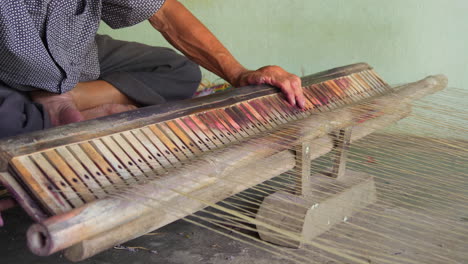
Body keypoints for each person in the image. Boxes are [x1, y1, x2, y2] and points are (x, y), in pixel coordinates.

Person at [0, 0, 305, 140]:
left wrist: (238, 74)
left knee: (179, 70)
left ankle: (66, 99)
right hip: (6, 71)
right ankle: (44, 114)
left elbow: (164, 12)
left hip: (75, 53)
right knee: (8, 122)